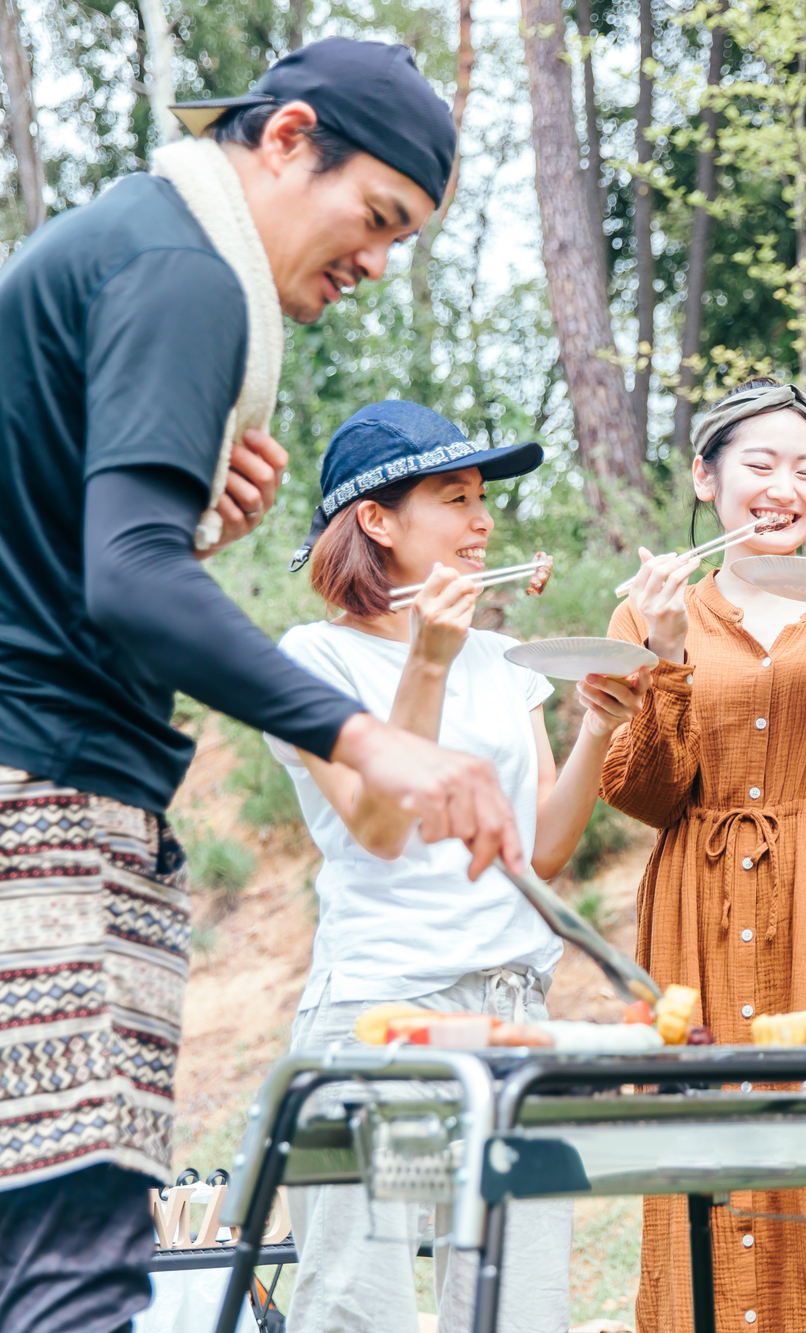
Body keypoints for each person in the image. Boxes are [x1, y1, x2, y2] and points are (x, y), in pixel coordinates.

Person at [0, 40, 526, 1333]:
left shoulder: (135, 244)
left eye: (403, 239)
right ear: (285, 139)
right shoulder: (187, 271)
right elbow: (129, 588)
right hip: (17, 803)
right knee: (75, 1252)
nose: (377, 262)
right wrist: (373, 739)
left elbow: (82, 565)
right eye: (376, 217)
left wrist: (188, 532)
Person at [266, 400, 648, 1333]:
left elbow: (542, 851)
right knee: (367, 1308)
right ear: (378, 520)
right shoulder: (310, 660)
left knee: (518, 1309)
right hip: (388, 1020)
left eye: (484, 498)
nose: (484, 521)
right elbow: (378, 827)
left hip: (513, 1019)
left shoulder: (503, 659)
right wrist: (427, 663)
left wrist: (599, 719)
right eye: (455, 497)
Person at [602, 378, 806, 1332]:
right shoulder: (650, 609)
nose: (786, 485)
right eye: (761, 463)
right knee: (700, 1145)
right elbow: (641, 791)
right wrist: (662, 651)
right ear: (707, 478)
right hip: (694, 915)